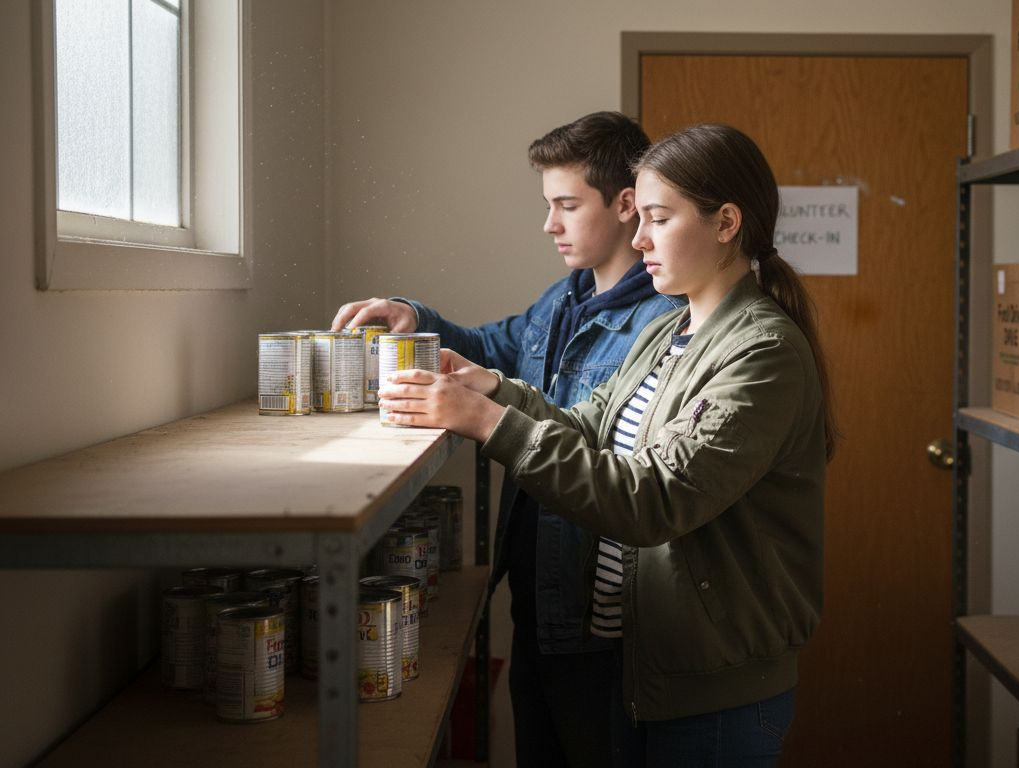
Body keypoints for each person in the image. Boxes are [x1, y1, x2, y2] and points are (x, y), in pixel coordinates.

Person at [378, 123, 834, 766]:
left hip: (714, 693)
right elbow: (588, 425)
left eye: (658, 218)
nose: (639, 237)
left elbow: (653, 499)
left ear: (727, 222)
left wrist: (485, 423)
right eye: (639, 217)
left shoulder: (762, 353)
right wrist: (490, 389)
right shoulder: (673, 329)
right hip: (646, 668)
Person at [330, 111, 682, 768]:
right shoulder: (567, 296)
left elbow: (625, 470)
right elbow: (497, 350)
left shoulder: (663, 320)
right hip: (539, 597)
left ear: (627, 204)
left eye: (566, 205)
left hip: (597, 613)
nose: (549, 224)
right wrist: (418, 319)